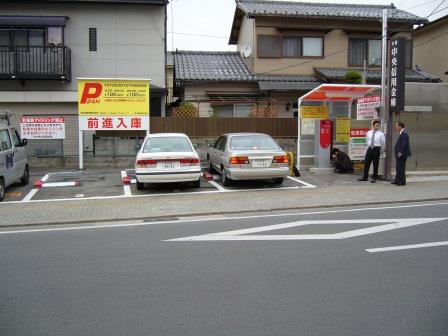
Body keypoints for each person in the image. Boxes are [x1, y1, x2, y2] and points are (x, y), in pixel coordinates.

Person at [392, 121, 411, 186]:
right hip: (400, 154)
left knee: (401, 168)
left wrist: (400, 152)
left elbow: (403, 144)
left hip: (402, 154)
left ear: (400, 126)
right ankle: (397, 180)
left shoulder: (404, 134)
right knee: (398, 168)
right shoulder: (402, 133)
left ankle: (402, 182)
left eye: (396, 126)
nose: (396, 127)